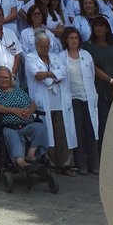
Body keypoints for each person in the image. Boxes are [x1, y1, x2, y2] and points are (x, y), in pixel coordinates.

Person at [24, 29, 75, 171]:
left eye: (47, 45)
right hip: (42, 101)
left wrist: (47, 75)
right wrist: (54, 76)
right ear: (36, 45)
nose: (45, 48)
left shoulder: (55, 56)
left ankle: (65, 164)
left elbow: (63, 72)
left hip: (59, 100)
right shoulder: (30, 57)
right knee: (48, 132)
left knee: (62, 132)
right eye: (42, 46)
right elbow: (36, 75)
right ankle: (49, 165)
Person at [0, 66, 50, 169]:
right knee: (12, 134)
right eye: (1, 77)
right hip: (8, 125)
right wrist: (14, 111)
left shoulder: (17, 90)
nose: (4, 80)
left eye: (6, 77)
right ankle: (20, 160)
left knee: (40, 128)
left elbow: (32, 103)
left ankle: (31, 153)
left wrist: (29, 111)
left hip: (26, 123)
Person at [83, 14, 113, 144]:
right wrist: (110, 81)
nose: (98, 28)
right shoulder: (89, 46)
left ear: (107, 28)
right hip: (100, 90)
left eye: (101, 26)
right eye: (96, 26)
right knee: (103, 123)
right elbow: (92, 67)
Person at [62, 26, 100, 176]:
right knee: (77, 131)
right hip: (72, 97)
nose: (74, 41)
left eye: (76, 38)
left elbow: (92, 74)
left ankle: (94, 165)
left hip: (87, 96)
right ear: (66, 40)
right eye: (71, 38)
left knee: (91, 130)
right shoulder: (61, 56)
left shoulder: (86, 55)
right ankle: (81, 165)